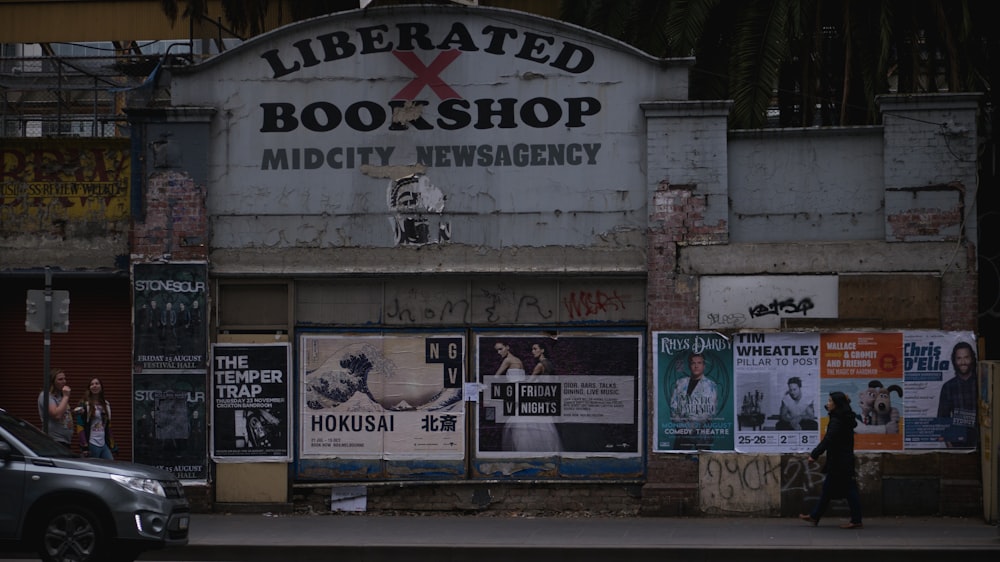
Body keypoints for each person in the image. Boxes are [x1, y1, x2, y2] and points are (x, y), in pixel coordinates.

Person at [799, 391, 863, 529]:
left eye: (830, 401)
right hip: (841, 460)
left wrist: (814, 454)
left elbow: (829, 439)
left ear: (836, 404)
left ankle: (856, 520)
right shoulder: (844, 416)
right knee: (829, 489)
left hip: (840, 461)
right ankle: (815, 516)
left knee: (849, 490)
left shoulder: (837, 420)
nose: (827, 403)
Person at [494, 341, 561, 452]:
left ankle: (527, 450)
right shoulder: (547, 364)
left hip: (530, 396)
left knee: (522, 425)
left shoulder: (538, 366)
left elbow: (528, 383)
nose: (532, 351)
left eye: (535, 349)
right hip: (543, 398)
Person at [937, 341, 978, 448]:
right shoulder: (948, 387)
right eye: (959, 358)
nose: (963, 362)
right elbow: (942, 418)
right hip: (957, 443)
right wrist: (949, 444)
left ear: (972, 359)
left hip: (981, 441)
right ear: (954, 361)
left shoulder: (982, 383)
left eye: (966, 357)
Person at [669, 353, 718, 423]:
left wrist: (692, 426)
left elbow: (711, 412)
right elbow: (673, 406)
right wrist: (680, 424)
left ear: (704, 366)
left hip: (701, 431)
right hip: (681, 430)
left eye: (699, 363)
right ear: (689, 366)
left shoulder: (711, 385)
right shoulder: (680, 382)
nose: (696, 366)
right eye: (693, 363)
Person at [75, 377, 116, 459]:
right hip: (92, 443)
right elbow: (79, 426)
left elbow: (108, 426)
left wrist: (113, 445)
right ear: (89, 388)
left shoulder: (106, 404)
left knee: (110, 463)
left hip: (103, 443)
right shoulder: (84, 404)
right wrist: (84, 445)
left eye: (97, 383)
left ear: (101, 387)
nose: (94, 386)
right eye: (92, 384)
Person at [38, 368, 74, 446]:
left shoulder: (60, 396)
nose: (64, 381)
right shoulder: (46, 395)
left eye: (64, 379)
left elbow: (63, 413)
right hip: (54, 440)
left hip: (65, 440)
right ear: (53, 382)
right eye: (60, 379)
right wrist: (66, 397)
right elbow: (56, 415)